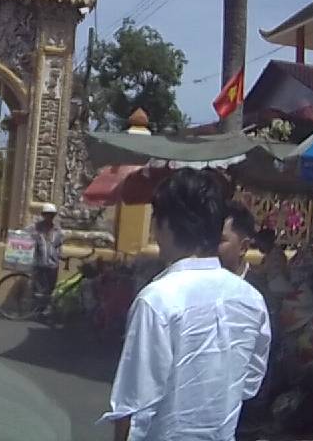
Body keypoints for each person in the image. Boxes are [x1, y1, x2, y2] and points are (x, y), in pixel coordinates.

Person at [101, 169, 271, 441]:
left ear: (165, 226)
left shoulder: (158, 299)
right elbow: (250, 383)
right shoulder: (251, 299)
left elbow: (132, 405)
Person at [31, 203, 65, 316]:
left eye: (51, 215)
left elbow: (59, 245)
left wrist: (60, 255)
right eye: (47, 214)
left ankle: (46, 309)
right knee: (38, 287)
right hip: (39, 262)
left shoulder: (57, 230)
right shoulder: (36, 228)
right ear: (43, 215)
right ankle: (37, 308)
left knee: (50, 287)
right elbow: (27, 238)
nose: (49, 217)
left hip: (52, 263)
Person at [219, 200, 258, 279]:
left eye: (220, 240)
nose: (211, 246)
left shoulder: (257, 286)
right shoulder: (199, 282)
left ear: (243, 247)